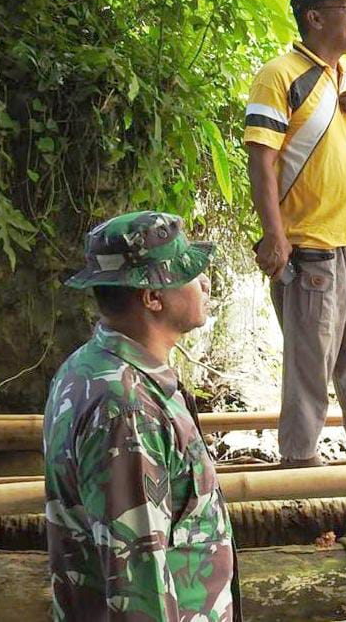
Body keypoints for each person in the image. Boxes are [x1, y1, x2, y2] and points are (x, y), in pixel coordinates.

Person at [44, 211, 241, 621]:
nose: (204, 283)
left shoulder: (87, 368)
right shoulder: (128, 410)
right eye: (189, 274)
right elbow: (137, 578)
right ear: (152, 297)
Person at [243, 0, 346, 466]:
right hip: (311, 247)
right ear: (315, 17)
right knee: (310, 365)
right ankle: (300, 467)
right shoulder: (280, 76)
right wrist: (275, 236)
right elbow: (261, 159)